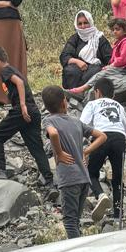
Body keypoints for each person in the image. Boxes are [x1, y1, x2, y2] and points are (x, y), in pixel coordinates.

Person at [0, 45, 53, 186]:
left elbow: (20, 83)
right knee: (36, 148)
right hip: (33, 112)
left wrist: (22, 105)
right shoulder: (12, 70)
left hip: (23, 110)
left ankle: (0, 170)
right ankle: (49, 181)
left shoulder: (5, 70)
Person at [80, 77, 126, 227]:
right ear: (113, 95)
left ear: (97, 92)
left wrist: (86, 147)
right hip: (119, 138)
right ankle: (117, 218)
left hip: (101, 137)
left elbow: (82, 125)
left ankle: (100, 195)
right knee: (117, 178)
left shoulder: (93, 104)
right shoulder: (119, 106)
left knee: (91, 173)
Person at [41, 86, 89, 239]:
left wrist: (59, 153)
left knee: (69, 222)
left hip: (69, 179)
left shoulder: (48, 120)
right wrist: (86, 152)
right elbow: (101, 136)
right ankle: (82, 248)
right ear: (64, 102)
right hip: (84, 178)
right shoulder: (76, 121)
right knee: (76, 221)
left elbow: (53, 133)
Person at [59, 11, 110, 92]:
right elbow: (64, 55)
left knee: (94, 72)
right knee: (70, 71)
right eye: (80, 24)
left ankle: (85, 94)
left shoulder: (99, 38)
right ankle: (72, 94)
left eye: (85, 23)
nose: (83, 26)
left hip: (95, 68)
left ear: (90, 22)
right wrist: (77, 61)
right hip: (77, 68)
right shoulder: (75, 38)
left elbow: (109, 59)